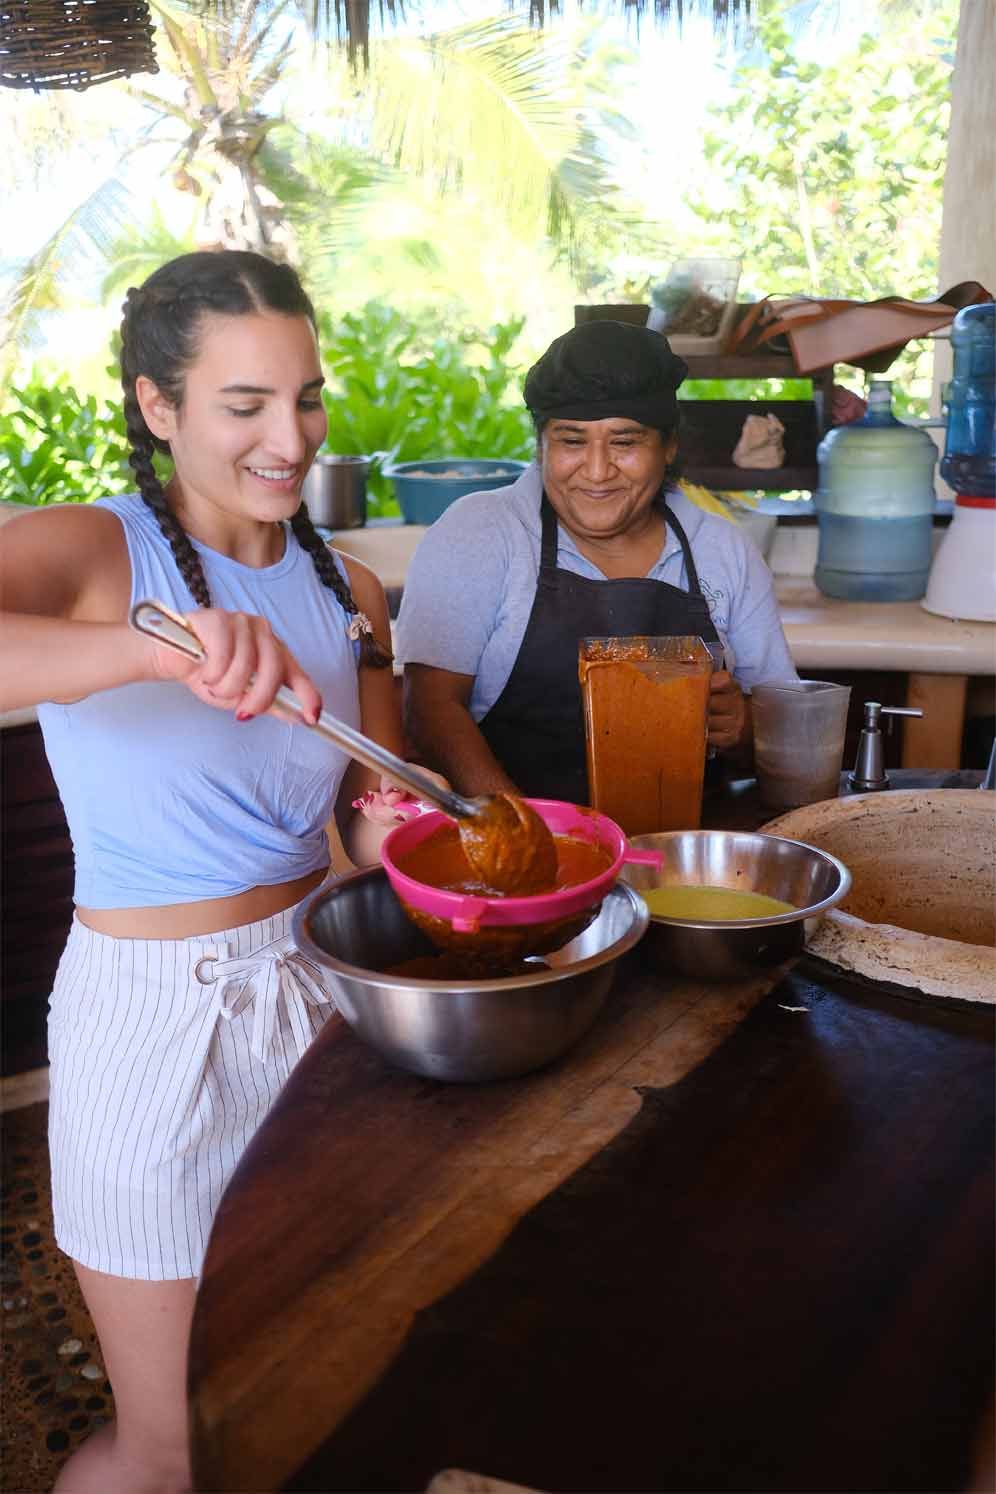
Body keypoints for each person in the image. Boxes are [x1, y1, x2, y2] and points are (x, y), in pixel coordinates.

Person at [0, 250, 416, 1494]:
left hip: (326, 996)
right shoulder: (93, 549)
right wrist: (148, 647)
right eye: (244, 405)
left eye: (307, 399)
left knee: (313, 1382)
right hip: (155, 1019)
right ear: (157, 406)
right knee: (177, 1446)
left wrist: (413, 836)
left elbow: (363, 810)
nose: (288, 438)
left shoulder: (352, 590)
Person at [396, 319, 798, 805]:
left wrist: (744, 725)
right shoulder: (482, 533)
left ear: (668, 447)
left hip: (680, 853)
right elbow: (430, 710)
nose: (597, 470)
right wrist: (523, 832)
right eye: (571, 441)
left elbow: (786, 728)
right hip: (524, 853)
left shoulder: (723, 551)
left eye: (625, 442)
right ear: (541, 444)